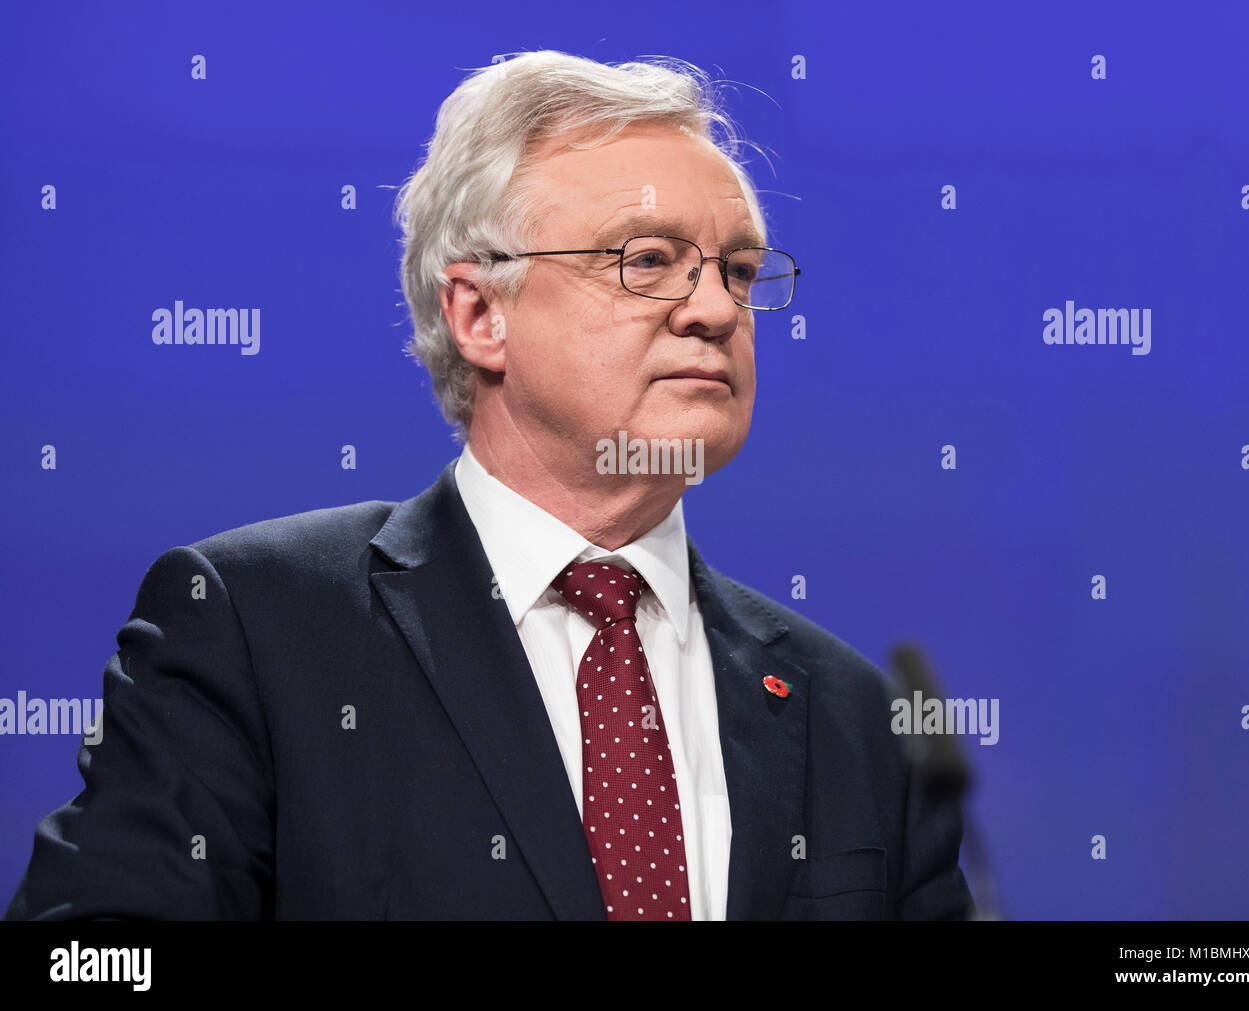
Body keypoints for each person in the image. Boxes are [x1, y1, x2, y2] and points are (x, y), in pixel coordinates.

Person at [6, 50, 973, 921]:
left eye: (739, 268)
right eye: (647, 262)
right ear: (479, 313)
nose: (718, 308)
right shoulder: (258, 631)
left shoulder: (852, 716)